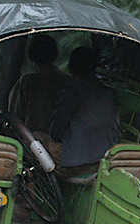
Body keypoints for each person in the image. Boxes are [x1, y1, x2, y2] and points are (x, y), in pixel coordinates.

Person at [49, 46, 120, 175]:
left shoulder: (73, 90)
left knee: (36, 138)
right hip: (107, 158)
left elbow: (57, 130)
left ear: (71, 67)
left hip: (79, 162)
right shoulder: (107, 91)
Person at [8, 34, 72, 135]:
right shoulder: (69, 81)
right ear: (55, 54)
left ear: (31, 55)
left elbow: (15, 117)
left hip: (33, 144)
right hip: (65, 143)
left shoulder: (27, 81)